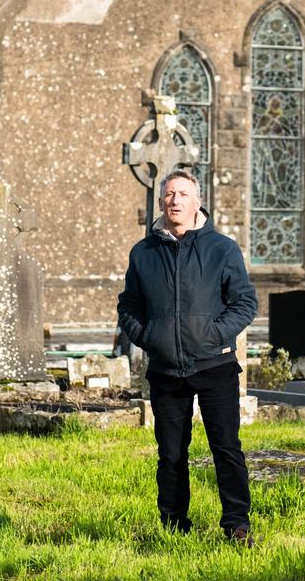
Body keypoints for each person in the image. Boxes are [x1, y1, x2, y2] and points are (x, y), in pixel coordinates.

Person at [116, 169, 258, 545]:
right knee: (171, 454)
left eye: (182, 194)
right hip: (166, 370)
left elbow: (245, 302)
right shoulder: (143, 252)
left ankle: (236, 525)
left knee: (226, 448)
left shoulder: (222, 248)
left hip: (216, 366)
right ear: (162, 202)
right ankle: (174, 525)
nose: (175, 200)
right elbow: (128, 304)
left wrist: (214, 334)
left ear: (197, 202)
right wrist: (148, 337)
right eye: (169, 194)